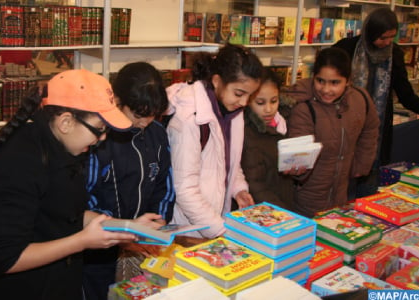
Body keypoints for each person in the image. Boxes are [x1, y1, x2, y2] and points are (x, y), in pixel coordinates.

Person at [0, 69, 142, 300]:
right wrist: (82, 241)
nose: (102, 138)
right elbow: (5, 258)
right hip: (24, 289)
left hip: (60, 284)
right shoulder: (19, 161)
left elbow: (66, 213)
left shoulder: (65, 148)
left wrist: (128, 227)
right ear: (66, 121)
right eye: (99, 129)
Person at [82, 62, 175, 300]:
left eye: (152, 115)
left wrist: (158, 224)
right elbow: (85, 198)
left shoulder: (156, 133)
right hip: (98, 247)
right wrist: (122, 229)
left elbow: (165, 185)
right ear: (117, 100)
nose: (144, 122)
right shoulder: (100, 137)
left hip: (143, 242)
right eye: (137, 115)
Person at [333, 7, 419, 198]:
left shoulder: (396, 55)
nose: (386, 43)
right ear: (370, 32)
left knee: (368, 188)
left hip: (376, 134)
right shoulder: (346, 48)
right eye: (382, 37)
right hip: (344, 128)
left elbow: (405, 94)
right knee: (341, 187)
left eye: (391, 37)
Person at [166, 43, 264, 238]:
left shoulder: (231, 109)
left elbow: (226, 159)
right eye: (239, 93)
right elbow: (185, 189)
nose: (244, 102)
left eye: (249, 95)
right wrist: (221, 230)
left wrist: (238, 189)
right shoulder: (189, 117)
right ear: (217, 81)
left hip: (213, 221)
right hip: (186, 230)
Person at [284, 47, 380, 218]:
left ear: (348, 81)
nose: (326, 89)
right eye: (320, 81)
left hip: (342, 191)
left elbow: (370, 129)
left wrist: (361, 163)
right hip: (308, 195)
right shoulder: (304, 107)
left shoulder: (360, 99)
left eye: (335, 82)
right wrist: (297, 168)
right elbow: (299, 152)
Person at [241, 67, 295, 209]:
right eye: (260, 103)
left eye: (274, 101)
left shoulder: (285, 122)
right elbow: (254, 184)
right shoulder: (246, 132)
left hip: (284, 201)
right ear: (247, 100)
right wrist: (282, 212)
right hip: (264, 210)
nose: (269, 109)